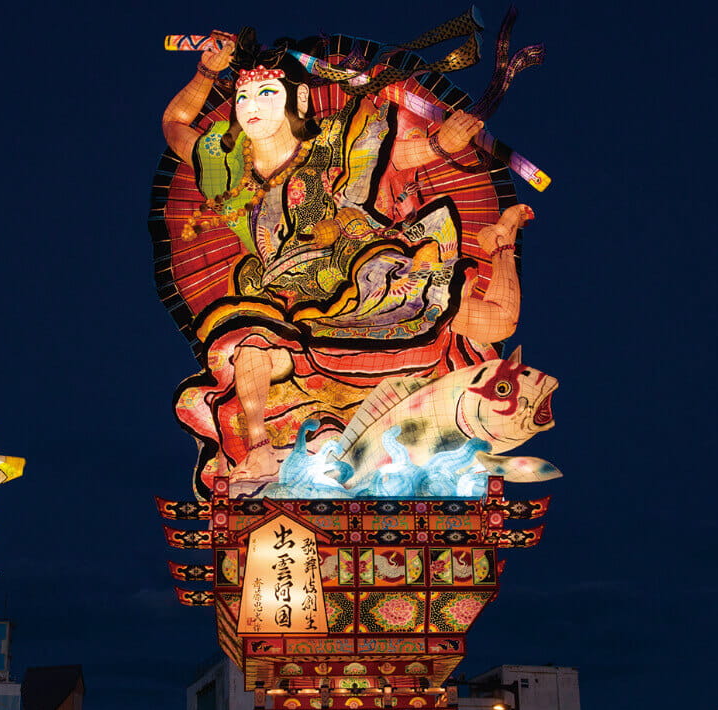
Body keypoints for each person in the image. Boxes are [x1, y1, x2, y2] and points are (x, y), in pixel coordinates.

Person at [160, 29, 533, 490]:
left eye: (266, 92)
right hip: (289, 293)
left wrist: (442, 144)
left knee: (498, 326)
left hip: (369, 270)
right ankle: (259, 451)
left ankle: (500, 242)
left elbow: (398, 154)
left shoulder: (336, 139)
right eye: (241, 97)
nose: (251, 105)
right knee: (248, 346)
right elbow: (177, 123)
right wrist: (204, 72)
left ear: (299, 100)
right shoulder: (229, 163)